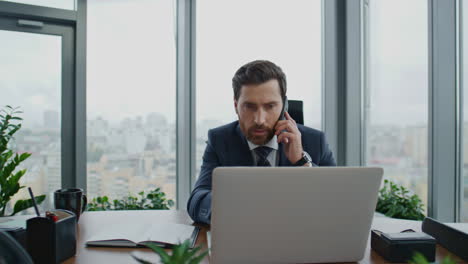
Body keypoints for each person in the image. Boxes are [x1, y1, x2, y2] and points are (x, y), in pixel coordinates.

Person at [187, 60, 336, 224]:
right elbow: (197, 201)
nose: (259, 119)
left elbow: (337, 202)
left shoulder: (314, 141)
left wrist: (301, 162)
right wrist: (245, 205)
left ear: (284, 106)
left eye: (270, 106)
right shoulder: (221, 139)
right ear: (236, 106)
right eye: (249, 107)